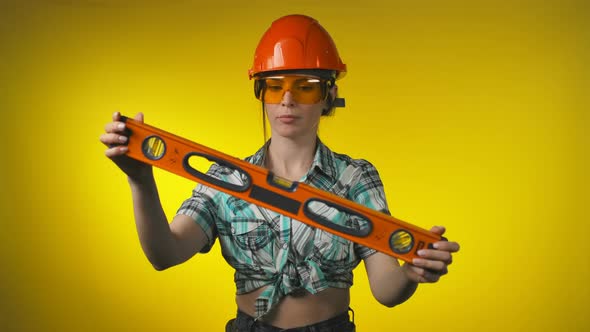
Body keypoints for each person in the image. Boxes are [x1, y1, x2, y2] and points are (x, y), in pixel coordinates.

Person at [100, 14, 460, 332]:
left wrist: (412, 274)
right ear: (261, 92)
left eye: (305, 87)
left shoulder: (355, 178)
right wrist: (140, 180)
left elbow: (386, 291)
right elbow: (165, 254)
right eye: (275, 86)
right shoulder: (224, 178)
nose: (287, 99)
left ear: (329, 95)